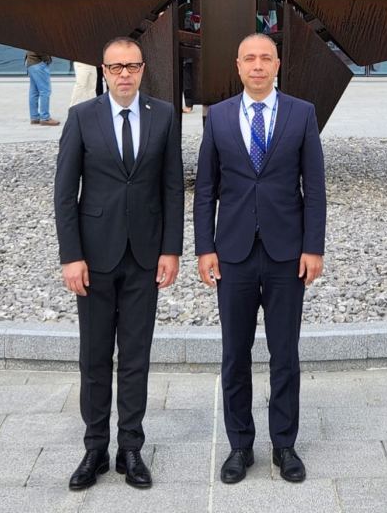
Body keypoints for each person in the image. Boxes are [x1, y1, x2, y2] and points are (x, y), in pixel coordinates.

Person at [194, 34, 326, 486]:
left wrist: (313, 247)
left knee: (284, 353)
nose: (257, 65)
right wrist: (204, 247)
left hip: (287, 253)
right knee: (235, 354)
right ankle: (240, 445)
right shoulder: (219, 116)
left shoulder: (302, 114)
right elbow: (206, 189)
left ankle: (284, 444)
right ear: (238, 66)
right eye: (249, 58)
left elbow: (315, 188)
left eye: (265, 58)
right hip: (232, 253)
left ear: (277, 65)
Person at [54, 36, 183, 491]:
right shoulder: (81, 117)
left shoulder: (163, 116)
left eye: (132, 66)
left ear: (143, 69)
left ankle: (131, 447)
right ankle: (95, 448)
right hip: (94, 259)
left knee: (135, 356)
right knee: (94, 357)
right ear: (104, 72)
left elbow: (171, 187)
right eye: (115, 67)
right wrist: (71, 256)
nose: (124, 74)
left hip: (145, 257)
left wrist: (171, 249)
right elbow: (64, 194)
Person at [26, 49, 59, 125]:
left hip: (31, 62)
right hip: (38, 63)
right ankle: (45, 118)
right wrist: (47, 59)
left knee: (34, 92)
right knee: (45, 91)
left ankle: (34, 118)